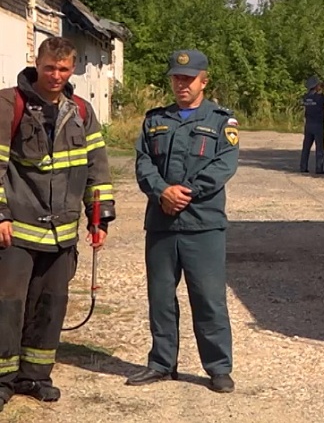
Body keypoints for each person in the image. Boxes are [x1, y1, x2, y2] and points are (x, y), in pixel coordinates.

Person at [0, 37, 114, 410]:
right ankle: (2, 379)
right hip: (17, 229)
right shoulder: (8, 104)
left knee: (51, 304)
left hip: (62, 232)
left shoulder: (80, 110)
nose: (56, 76)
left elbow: (97, 166)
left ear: (73, 68)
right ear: (38, 62)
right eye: (50, 67)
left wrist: (101, 217)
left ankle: (35, 376)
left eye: (63, 69)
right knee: (8, 305)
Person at [126, 49, 239, 393]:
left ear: (204, 81)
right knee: (160, 297)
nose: (181, 84)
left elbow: (224, 165)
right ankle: (161, 363)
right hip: (161, 223)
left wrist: (183, 192)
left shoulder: (221, 120)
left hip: (202, 224)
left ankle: (218, 368)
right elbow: (143, 162)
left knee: (208, 298)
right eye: (176, 78)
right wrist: (162, 191)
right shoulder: (154, 119)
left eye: (188, 79)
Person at [299, 76, 324, 175]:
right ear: (316, 86)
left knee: (306, 147)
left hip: (308, 125)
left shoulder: (306, 97)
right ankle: (319, 168)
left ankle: (303, 167)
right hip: (318, 125)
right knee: (320, 148)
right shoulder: (320, 97)